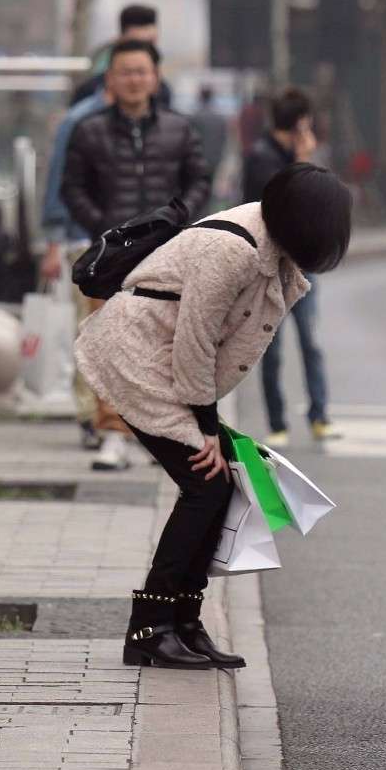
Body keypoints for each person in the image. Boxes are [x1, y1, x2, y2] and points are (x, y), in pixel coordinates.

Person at [74, 163, 352, 669]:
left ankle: (184, 622)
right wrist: (205, 427)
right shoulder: (232, 249)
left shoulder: (271, 247)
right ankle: (149, 628)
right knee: (205, 485)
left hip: (166, 365)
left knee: (218, 486)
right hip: (137, 357)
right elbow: (196, 340)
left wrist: (208, 424)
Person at [62, 40, 210, 471]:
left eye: (141, 71)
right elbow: (72, 188)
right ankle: (112, 434)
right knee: (108, 346)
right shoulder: (88, 131)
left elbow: (200, 180)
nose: (134, 79)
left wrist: (178, 217)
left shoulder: (179, 129)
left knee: (163, 346)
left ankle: (159, 436)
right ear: (110, 79)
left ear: (155, 77)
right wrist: (102, 225)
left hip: (166, 254)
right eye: (125, 71)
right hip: (111, 256)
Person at [242, 88, 340, 447]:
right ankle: (277, 422)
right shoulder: (261, 157)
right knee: (271, 345)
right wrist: (301, 160)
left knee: (311, 342)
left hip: (302, 262)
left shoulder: (293, 154)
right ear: (301, 123)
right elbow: (286, 203)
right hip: (271, 265)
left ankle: (319, 415)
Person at [41, 83, 112, 451]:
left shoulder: (152, 120)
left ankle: (119, 419)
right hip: (84, 240)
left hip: (131, 241)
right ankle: (91, 416)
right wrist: (54, 243)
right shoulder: (79, 119)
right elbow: (59, 182)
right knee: (90, 330)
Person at [70, 4, 173, 109]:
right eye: (136, 44)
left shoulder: (163, 92)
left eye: (151, 44)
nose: (135, 80)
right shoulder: (91, 90)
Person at [190, 86, 228, 182]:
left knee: (198, 184)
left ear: (200, 97)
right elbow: (223, 139)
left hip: (198, 159)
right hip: (214, 158)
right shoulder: (220, 118)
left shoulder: (195, 117)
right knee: (210, 183)